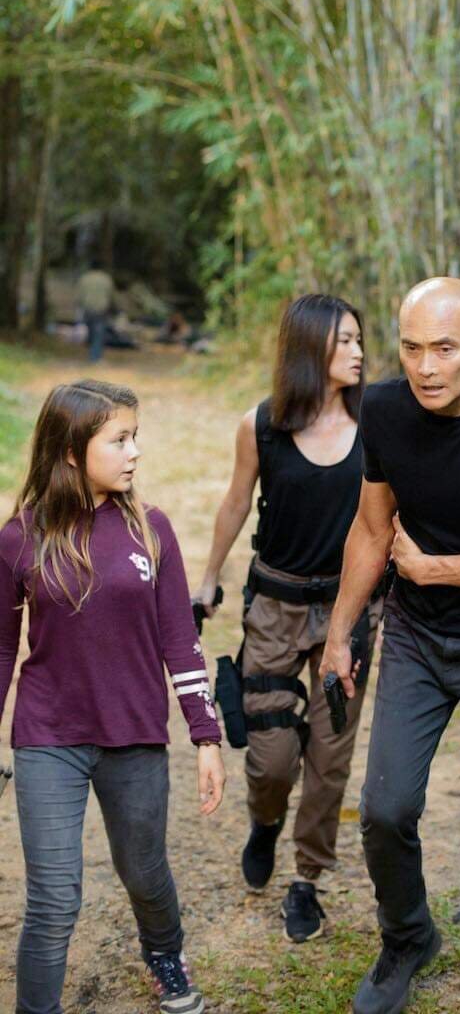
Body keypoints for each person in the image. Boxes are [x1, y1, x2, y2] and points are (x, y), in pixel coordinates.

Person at [320, 277, 460, 1014]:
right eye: (411, 348)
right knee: (385, 809)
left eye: (444, 349)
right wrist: (338, 633)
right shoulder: (384, 409)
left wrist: (432, 569)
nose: (425, 367)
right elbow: (371, 528)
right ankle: (407, 938)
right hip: (417, 637)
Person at [0, 379, 225, 1014]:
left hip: (135, 734)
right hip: (48, 735)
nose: (135, 452)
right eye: (119, 440)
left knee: (145, 875)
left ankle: (165, 954)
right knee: (53, 900)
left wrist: (206, 736)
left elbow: (180, 641)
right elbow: (1, 650)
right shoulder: (20, 538)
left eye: (135, 437)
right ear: (73, 452)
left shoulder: (151, 531)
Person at [194, 293, 383, 943]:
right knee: (272, 756)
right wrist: (210, 576)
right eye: (344, 340)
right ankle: (267, 820)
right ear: (309, 348)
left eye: (359, 339)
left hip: (348, 612)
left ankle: (307, 878)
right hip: (274, 605)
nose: (358, 351)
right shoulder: (262, 426)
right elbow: (235, 501)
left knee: (330, 755)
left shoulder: (377, 424)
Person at [76, 261, 115, 363]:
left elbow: (79, 296)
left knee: (91, 333)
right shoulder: (106, 278)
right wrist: (113, 308)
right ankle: (95, 357)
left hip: (87, 309)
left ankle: (92, 355)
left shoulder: (84, 278)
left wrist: (80, 307)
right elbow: (111, 295)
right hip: (101, 309)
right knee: (98, 334)